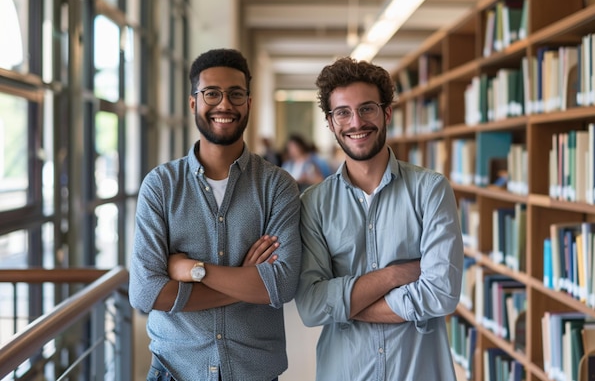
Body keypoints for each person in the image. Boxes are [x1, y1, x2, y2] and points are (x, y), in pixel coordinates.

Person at [129, 48, 302, 381]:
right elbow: (146, 293)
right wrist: (245, 277)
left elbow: (279, 286)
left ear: (249, 103)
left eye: (236, 94)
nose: (224, 104)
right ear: (194, 102)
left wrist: (193, 270)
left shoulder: (278, 186)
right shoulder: (161, 186)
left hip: (255, 372)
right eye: (212, 93)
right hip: (173, 370)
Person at [294, 56, 464, 380]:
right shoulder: (313, 205)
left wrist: (345, 306)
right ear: (331, 123)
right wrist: (396, 275)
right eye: (343, 112)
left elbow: (441, 293)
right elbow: (312, 306)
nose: (356, 122)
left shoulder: (431, 191)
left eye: (367, 108)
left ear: (386, 112)